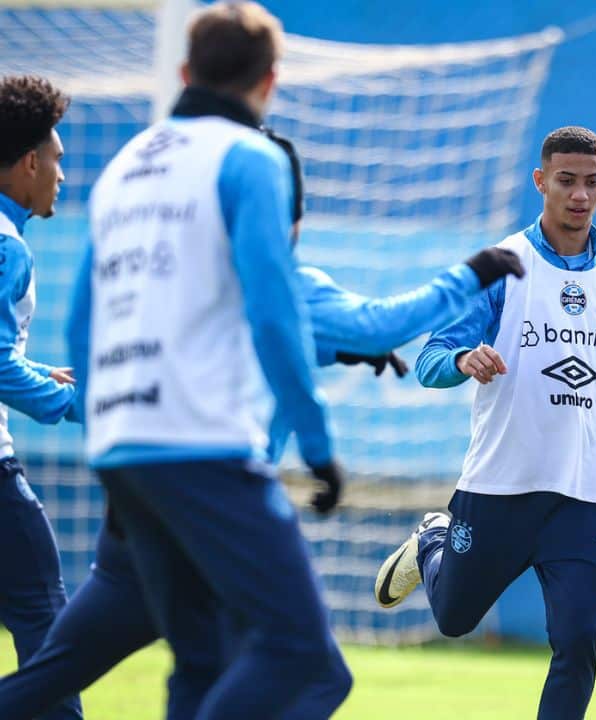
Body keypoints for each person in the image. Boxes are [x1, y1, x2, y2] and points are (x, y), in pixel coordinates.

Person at [0, 128, 524, 719]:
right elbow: (378, 323)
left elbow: (239, 342)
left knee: (100, 666)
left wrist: (333, 348)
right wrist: (474, 272)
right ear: (286, 215)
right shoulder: (287, 282)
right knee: (315, 671)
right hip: (216, 501)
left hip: (135, 494)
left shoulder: (183, 281)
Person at [65, 3, 347, 716]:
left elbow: (78, 325)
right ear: (271, 82)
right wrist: (316, 445)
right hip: (203, 443)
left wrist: (106, 452)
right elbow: (274, 311)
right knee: (304, 657)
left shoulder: (126, 164)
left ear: (186, 72)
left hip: (123, 446)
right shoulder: (251, 158)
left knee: (201, 665)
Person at [374, 125, 596, 720]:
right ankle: (433, 539)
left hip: (589, 491)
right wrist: (464, 360)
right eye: (566, 181)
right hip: (503, 484)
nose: (579, 196)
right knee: (456, 619)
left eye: (592, 183)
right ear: (541, 181)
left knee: (579, 640)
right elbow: (430, 361)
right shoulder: (501, 267)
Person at [0, 73, 82, 720]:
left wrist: (32, 370)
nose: (61, 175)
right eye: (56, 160)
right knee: (49, 626)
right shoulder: (8, 247)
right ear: (28, 163)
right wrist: (87, 405)